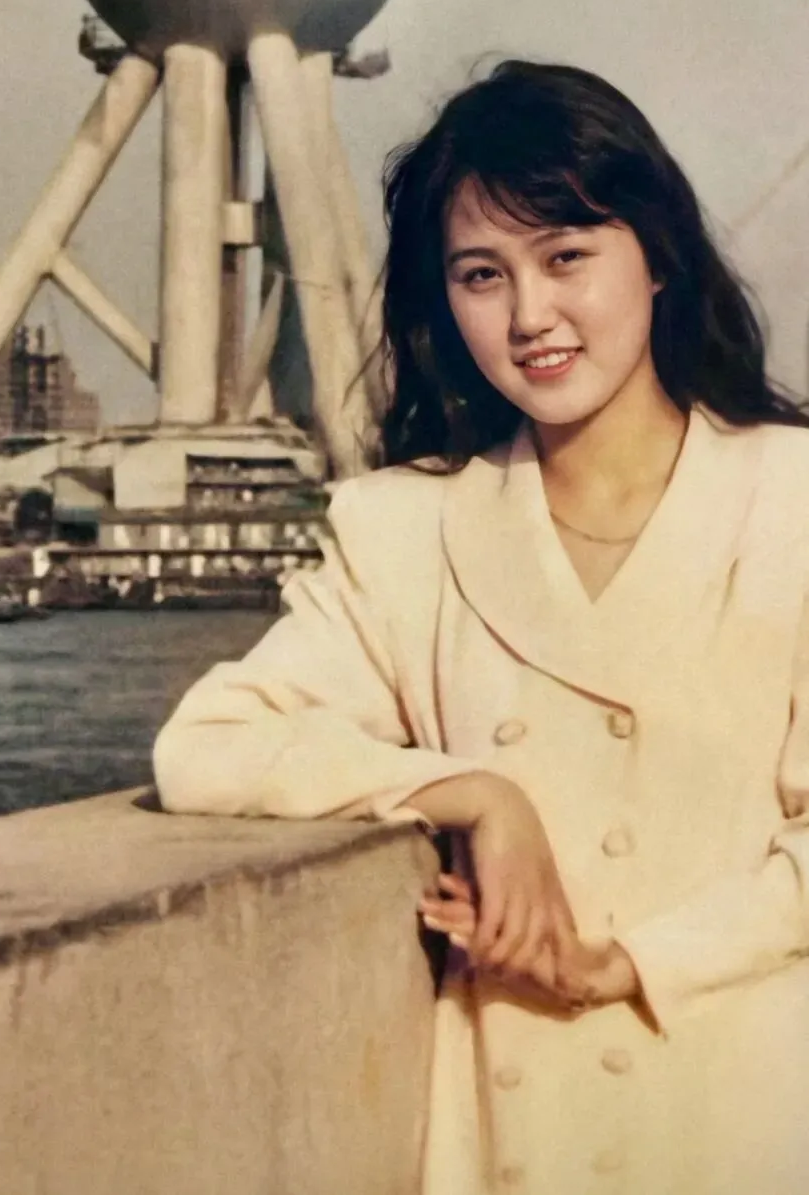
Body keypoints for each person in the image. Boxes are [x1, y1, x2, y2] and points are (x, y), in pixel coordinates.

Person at [153, 60, 809, 1194]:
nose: (530, 316)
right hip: (511, 1136)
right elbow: (208, 744)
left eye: (566, 256)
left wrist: (628, 962)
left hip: (744, 1110)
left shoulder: (790, 501)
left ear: (658, 256)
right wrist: (474, 792)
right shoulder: (404, 529)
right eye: (481, 275)